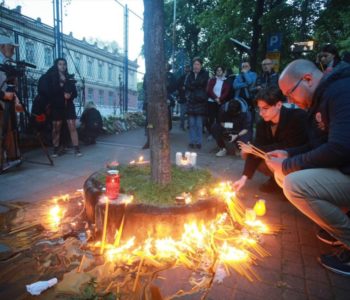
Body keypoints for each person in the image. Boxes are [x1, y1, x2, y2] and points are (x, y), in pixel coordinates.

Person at [267, 59, 350, 275]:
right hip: (343, 169)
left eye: (290, 93)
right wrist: (289, 154)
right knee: (283, 175)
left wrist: (287, 164)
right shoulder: (320, 99)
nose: (288, 100)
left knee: (294, 183)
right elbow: (318, 146)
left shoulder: (341, 91)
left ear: (308, 79)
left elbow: (340, 148)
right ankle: (338, 224)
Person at [232, 86, 307, 193]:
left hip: (298, 160)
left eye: (265, 108)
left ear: (279, 105)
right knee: (248, 154)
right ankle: (276, 180)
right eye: (259, 108)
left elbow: (289, 145)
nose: (261, 113)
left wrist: (254, 149)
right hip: (278, 160)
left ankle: (292, 186)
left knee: (257, 152)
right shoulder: (262, 123)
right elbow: (258, 145)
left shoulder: (297, 117)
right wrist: (244, 178)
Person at [38, 58, 82, 157]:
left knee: (72, 126)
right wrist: (61, 90)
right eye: (60, 64)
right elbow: (48, 92)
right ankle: (56, 148)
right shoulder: (51, 77)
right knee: (56, 127)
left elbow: (75, 93)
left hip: (69, 105)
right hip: (57, 105)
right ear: (56, 65)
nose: (62, 66)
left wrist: (70, 95)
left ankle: (76, 148)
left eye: (64, 64)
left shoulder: (69, 77)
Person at [0, 35, 23, 172]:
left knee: (8, 129)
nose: (13, 50)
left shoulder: (6, 63)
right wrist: (3, 95)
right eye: (11, 47)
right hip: (2, 100)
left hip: (6, 103)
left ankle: (12, 157)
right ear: (2, 47)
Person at [185, 57, 209, 149]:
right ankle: (191, 141)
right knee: (191, 124)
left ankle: (198, 142)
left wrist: (194, 85)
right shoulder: (189, 75)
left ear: (201, 65)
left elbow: (202, 83)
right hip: (191, 101)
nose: (196, 66)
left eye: (198, 64)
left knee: (199, 124)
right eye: (194, 64)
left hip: (200, 101)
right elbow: (187, 85)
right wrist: (195, 86)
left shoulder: (205, 74)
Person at [206, 65, 231, 140]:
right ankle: (211, 133)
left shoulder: (226, 81)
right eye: (217, 70)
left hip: (221, 102)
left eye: (220, 70)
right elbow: (209, 90)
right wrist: (215, 98)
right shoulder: (212, 80)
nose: (219, 71)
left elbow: (226, 92)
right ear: (215, 72)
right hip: (211, 102)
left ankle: (219, 134)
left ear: (223, 71)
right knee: (211, 118)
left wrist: (219, 99)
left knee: (220, 118)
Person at [233, 62, 257, 126]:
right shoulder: (238, 76)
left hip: (248, 98)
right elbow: (235, 86)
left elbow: (249, 82)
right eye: (243, 66)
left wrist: (245, 73)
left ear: (250, 67)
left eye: (246, 66)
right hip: (238, 98)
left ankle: (248, 130)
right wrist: (245, 84)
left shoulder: (253, 74)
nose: (244, 68)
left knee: (248, 116)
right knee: (239, 115)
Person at [177, 64, 191, 131]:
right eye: (186, 68)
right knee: (182, 113)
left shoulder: (192, 77)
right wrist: (181, 88)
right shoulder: (181, 77)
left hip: (191, 98)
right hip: (183, 97)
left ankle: (189, 125)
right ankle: (181, 126)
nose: (187, 70)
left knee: (189, 113)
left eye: (188, 68)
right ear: (184, 69)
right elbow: (177, 86)